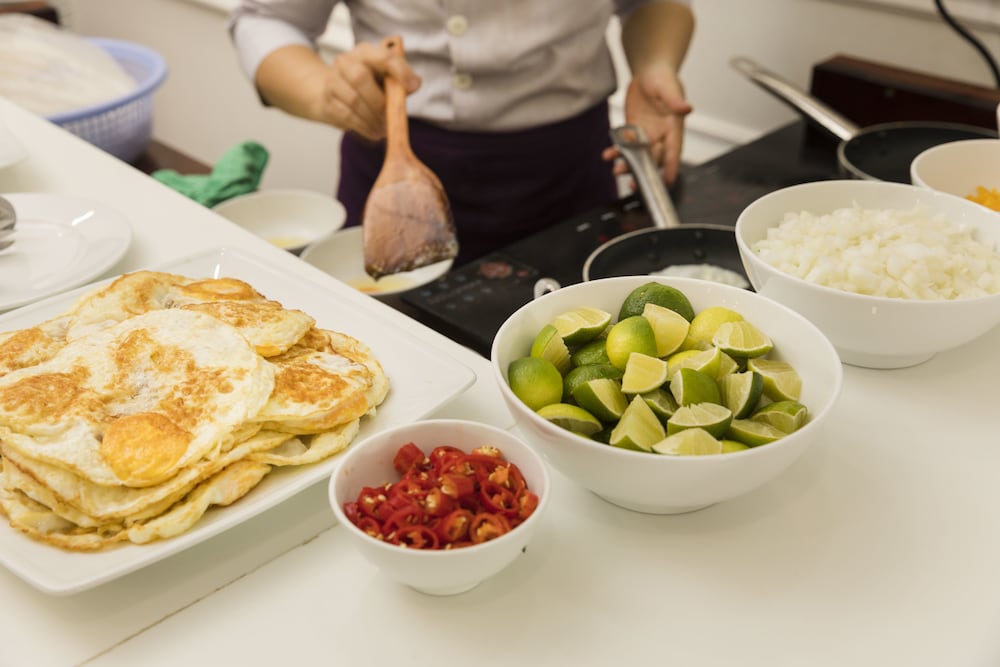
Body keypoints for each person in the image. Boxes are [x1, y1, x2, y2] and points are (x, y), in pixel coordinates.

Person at [229, 1, 695, 265]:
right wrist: (325, 92)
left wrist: (655, 66)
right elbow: (268, 18)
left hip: (571, 172)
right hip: (397, 174)